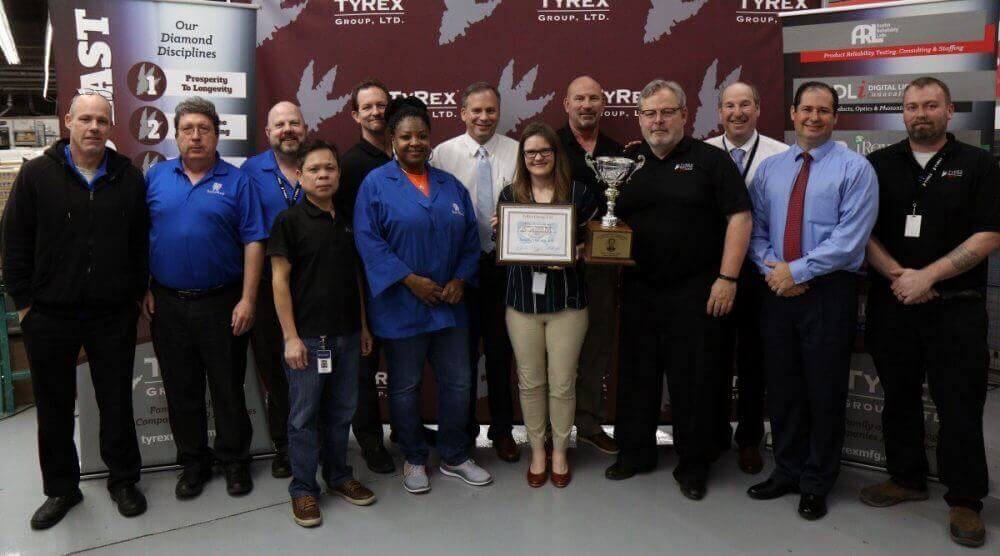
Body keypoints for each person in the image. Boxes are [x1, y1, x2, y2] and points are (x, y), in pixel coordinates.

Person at [859, 77, 999, 548]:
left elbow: (989, 234)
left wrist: (928, 277)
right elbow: (861, 230)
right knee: (898, 396)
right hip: (894, 302)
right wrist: (899, 276)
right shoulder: (878, 164)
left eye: (931, 105)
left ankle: (966, 500)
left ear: (949, 111)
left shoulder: (979, 164)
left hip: (955, 308)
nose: (921, 114)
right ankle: (907, 477)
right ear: (902, 113)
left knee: (959, 404)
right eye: (912, 106)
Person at [2, 90, 149, 529]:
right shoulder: (36, 175)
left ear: (110, 126)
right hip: (49, 315)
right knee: (54, 407)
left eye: (101, 120)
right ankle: (62, 489)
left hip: (111, 315)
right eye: (85, 119)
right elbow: (14, 241)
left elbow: (140, 242)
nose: (93, 127)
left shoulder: (128, 178)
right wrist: (25, 304)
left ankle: (123, 480)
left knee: (116, 401)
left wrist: (133, 295)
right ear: (68, 121)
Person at [606, 79, 753, 503]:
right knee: (637, 376)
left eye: (667, 112)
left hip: (697, 290)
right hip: (639, 289)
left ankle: (693, 465)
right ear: (639, 118)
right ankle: (635, 454)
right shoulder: (627, 163)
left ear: (685, 116)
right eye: (650, 113)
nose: (658, 121)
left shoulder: (710, 160)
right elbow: (607, 220)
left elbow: (740, 218)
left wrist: (727, 278)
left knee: (695, 381)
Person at [746, 82, 878, 520]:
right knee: (783, 387)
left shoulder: (856, 169)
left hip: (828, 293)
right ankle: (786, 470)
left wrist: (796, 271)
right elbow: (756, 231)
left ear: (836, 117)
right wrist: (775, 271)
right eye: (807, 109)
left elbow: (849, 240)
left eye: (823, 110)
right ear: (793, 113)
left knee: (824, 390)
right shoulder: (771, 169)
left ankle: (817, 480)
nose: (814, 117)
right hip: (777, 291)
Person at [354, 97, 492, 494]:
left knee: (458, 384)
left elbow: (471, 239)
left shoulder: (450, 185)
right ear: (392, 140)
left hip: (449, 307)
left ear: (429, 139)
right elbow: (368, 241)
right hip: (401, 306)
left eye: (421, 136)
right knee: (404, 387)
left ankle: (454, 455)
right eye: (405, 137)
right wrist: (409, 280)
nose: (414, 142)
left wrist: (461, 279)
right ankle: (414, 457)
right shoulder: (375, 184)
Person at [143, 96, 268, 500]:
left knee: (228, 388)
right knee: (181, 389)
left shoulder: (237, 181)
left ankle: (235, 461)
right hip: (168, 303)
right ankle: (193, 463)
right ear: (176, 135)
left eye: (204, 129)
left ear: (216, 135)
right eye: (188, 129)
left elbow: (254, 241)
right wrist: (144, 287)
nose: (195, 136)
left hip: (223, 302)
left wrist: (248, 299)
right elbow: (138, 237)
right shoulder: (155, 177)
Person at [269, 139, 377, 527]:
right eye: (314, 169)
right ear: (300, 176)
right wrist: (290, 338)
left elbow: (357, 278)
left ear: (339, 174)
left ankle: (338, 476)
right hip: (308, 341)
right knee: (303, 418)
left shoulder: (348, 219)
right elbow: (279, 281)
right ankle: (303, 488)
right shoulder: (288, 221)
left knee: (341, 412)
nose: (323, 175)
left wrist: (363, 326)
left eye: (330, 168)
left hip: (347, 336)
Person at [499, 122, 597, 488]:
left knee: (562, 383)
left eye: (544, 151)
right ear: (522, 158)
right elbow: (504, 244)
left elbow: (594, 243)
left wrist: (575, 252)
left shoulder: (580, 193)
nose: (537, 157)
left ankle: (560, 451)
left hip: (568, 302)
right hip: (522, 302)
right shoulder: (510, 194)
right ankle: (538, 451)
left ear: (556, 154)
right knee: (530, 382)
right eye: (530, 152)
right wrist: (500, 231)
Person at [431, 82, 520, 462]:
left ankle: (502, 431)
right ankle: (463, 431)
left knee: (501, 354)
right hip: (458, 272)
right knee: (461, 357)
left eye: (491, 110)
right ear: (463, 113)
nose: (484, 117)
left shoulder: (517, 152)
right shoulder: (442, 154)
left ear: (499, 113)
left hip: (503, 268)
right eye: (477, 111)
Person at [704, 81, 789, 474]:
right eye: (729, 106)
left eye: (744, 105)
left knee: (755, 359)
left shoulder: (782, 155)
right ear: (719, 112)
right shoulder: (702, 153)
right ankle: (714, 432)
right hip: (714, 273)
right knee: (712, 356)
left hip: (762, 274)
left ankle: (750, 438)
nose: (736, 113)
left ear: (758, 108)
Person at [240, 101, 308, 479]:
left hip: (314, 286)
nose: (287, 130)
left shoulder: (319, 163)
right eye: (279, 125)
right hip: (269, 287)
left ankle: (316, 439)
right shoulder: (251, 171)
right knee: (276, 367)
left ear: (305, 128)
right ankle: (284, 445)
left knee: (315, 365)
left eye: (293, 123)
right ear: (268, 133)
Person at [556, 75, 622, 455]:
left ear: (603, 104)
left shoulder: (619, 152)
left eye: (593, 99)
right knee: (554, 350)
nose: (586, 105)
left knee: (597, 344)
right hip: (555, 266)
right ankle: (553, 428)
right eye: (579, 98)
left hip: (601, 266)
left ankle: (589, 423)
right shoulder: (549, 145)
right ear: (567, 104)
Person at [338, 78, 396, 474]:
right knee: (364, 367)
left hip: (405, 281)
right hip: (366, 282)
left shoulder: (407, 155)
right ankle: (371, 442)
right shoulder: (349, 165)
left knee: (407, 364)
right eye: (368, 106)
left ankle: (407, 430)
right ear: (355, 115)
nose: (376, 112)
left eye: (381, 104)